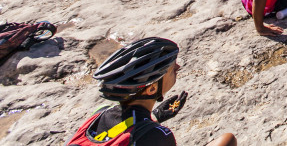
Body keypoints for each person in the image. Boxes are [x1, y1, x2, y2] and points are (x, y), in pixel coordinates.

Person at [66, 37, 236, 146]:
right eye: (172, 69)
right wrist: (152, 127)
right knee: (227, 141)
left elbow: (121, 131)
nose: (178, 67)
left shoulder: (100, 114)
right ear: (152, 88)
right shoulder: (158, 137)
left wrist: (155, 116)